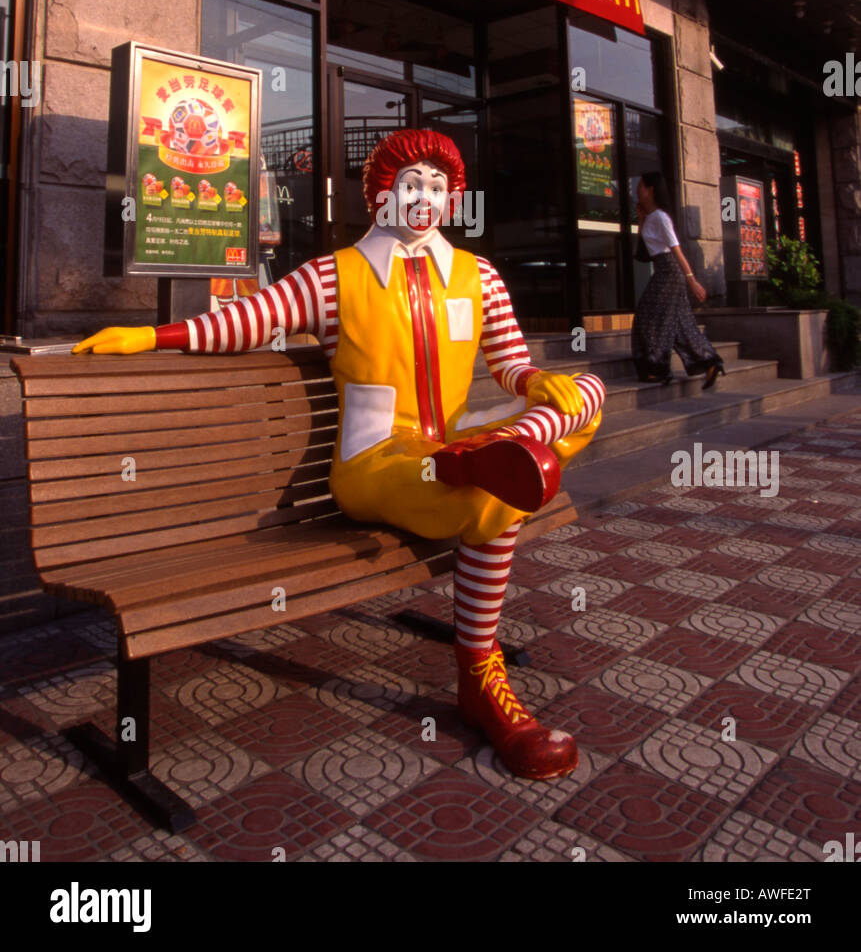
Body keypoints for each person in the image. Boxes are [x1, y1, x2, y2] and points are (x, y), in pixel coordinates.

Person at [74, 128, 605, 782]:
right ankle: (478, 668)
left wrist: (535, 387)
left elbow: (511, 364)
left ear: (452, 198)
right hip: (376, 464)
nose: (424, 198)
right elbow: (251, 318)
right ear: (381, 194)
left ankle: (496, 451)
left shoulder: (479, 277)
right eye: (410, 185)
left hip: (457, 445)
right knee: (495, 494)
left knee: (587, 389)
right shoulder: (335, 277)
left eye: (436, 187)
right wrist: (154, 334)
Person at [631, 171, 724, 389]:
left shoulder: (662, 218)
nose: (637, 189)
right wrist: (641, 220)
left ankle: (657, 369)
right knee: (682, 324)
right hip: (664, 271)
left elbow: (677, 251)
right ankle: (709, 362)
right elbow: (643, 253)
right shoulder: (651, 217)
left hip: (669, 272)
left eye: (641, 186)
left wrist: (692, 281)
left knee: (647, 318)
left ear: (650, 189)